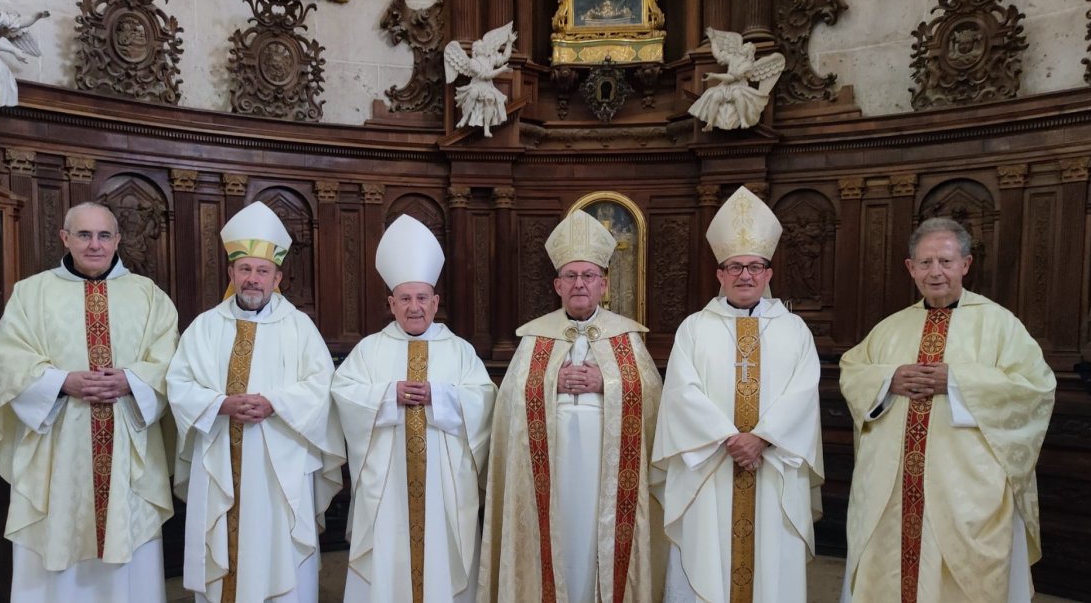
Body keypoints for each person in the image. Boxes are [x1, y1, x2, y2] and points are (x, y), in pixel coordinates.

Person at [839, 217, 1056, 603]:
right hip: (891, 492)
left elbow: (1035, 389)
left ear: (965, 264)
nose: (935, 272)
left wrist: (956, 382)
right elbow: (853, 372)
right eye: (925, 262)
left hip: (964, 491)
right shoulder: (890, 328)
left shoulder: (999, 324)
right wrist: (889, 379)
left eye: (945, 261)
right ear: (911, 268)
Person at [0, 201, 178, 601]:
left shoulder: (148, 296)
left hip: (126, 446)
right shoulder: (31, 294)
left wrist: (131, 380)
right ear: (65, 238)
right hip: (58, 446)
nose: (94, 245)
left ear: (117, 240)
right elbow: (7, 361)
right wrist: (60, 382)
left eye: (104, 235)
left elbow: (171, 362)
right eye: (84, 235)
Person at [478, 209, 664, 603]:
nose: (580, 283)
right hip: (551, 466)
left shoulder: (626, 337)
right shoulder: (535, 337)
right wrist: (550, 383)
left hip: (605, 469)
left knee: (598, 537)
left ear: (603, 284)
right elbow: (509, 403)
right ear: (558, 285)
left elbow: (651, 398)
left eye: (588, 276)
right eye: (571, 276)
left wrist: (607, 383)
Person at [166, 201, 346, 603]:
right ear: (231, 274)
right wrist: (220, 404)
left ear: (277, 277)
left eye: (262, 271)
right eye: (244, 269)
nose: (252, 279)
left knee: (278, 550)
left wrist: (274, 403)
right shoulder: (205, 327)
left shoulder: (299, 327)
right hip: (219, 459)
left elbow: (322, 385)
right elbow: (178, 384)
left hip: (281, 465)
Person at [652, 186, 824, 603]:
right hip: (711, 463)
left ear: (768, 273)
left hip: (773, 464)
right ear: (720, 274)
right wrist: (729, 438)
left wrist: (761, 438)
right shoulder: (695, 327)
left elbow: (803, 392)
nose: (745, 275)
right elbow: (682, 391)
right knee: (706, 555)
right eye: (735, 267)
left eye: (754, 266)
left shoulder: (794, 329)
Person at [332, 215, 496, 603]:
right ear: (391, 304)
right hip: (387, 486)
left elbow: (484, 399)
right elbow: (343, 394)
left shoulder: (459, 351)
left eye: (422, 298)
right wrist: (388, 395)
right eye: (405, 299)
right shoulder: (369, 350)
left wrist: (440, 396)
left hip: (444, 487)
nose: (415, 307)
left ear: (435, 303)